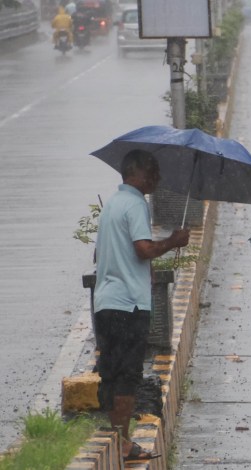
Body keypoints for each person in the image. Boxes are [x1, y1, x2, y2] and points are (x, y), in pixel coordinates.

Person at [93, 149, 190, 461]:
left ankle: (120, 439)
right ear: (134, 173)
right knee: (128, 375)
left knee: (112, 372)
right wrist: (173, 241)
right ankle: (123, 443)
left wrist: (140, 272)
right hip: (129, 306)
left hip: (105, 302)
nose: (156, 178)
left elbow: (104, 255)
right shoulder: (135, 203)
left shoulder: (112, 204)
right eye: (152, 172)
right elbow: (142, 248)